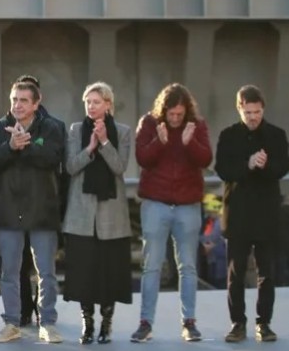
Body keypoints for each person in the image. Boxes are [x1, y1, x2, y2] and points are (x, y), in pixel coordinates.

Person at [132, 83, 212, 342]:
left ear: (186, 111)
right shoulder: (149, 123)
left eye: (179, 114)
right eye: (171, 114)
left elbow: (206, 159)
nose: (175, 119)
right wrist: (160, 141)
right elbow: (142, 158)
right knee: (152, 266)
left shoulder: (197, 126)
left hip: (188, 205)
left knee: (187, 266)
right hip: (156, 203)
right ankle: (146, 323)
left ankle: (189, 322)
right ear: (163, 110)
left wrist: (190, 143)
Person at [0, 81, 64, 344]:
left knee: (46, 272)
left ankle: (48, 323)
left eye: (23, 100)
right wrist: (10, 146)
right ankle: (11, 323)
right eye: (14, 99)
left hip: (42, 210)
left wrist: (26, 144)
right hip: (9, 211)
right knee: (9, 272)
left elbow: (53, 158)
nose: (17, 105)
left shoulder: (51, 127)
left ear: (35, 104)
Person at [215, 85, 289, 343]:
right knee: (235, 273)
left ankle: (264, 323)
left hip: (267, 214)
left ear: (263, 109)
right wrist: (247, 164)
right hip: (237, 214)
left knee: (266, 272)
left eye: (256, 112)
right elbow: (223, 169)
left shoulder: (276, 135)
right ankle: (237, 323)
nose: (253, 117)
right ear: (239, 109)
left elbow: (284, 167)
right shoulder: (228, 135)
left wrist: (266, 164)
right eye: (248, 112)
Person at [62, 81, 133, 345]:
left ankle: (106, 324)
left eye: (96, 102)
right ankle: (87, 323)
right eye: (88, 102)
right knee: (83, 273)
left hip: (111, 216)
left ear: (108, 104)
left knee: (108, 272)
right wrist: (90, 147)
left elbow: (119, 167)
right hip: (81, 215)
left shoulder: (123, 132)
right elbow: (70, 166)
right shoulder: (76, 130)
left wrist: (104, 141)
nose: (91, 106)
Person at [200, 194, 226, 289]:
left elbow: (212, 237)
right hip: (212, 260)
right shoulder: (211, 221)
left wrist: (199, 240)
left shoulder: (220, 221)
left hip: (220, 260)